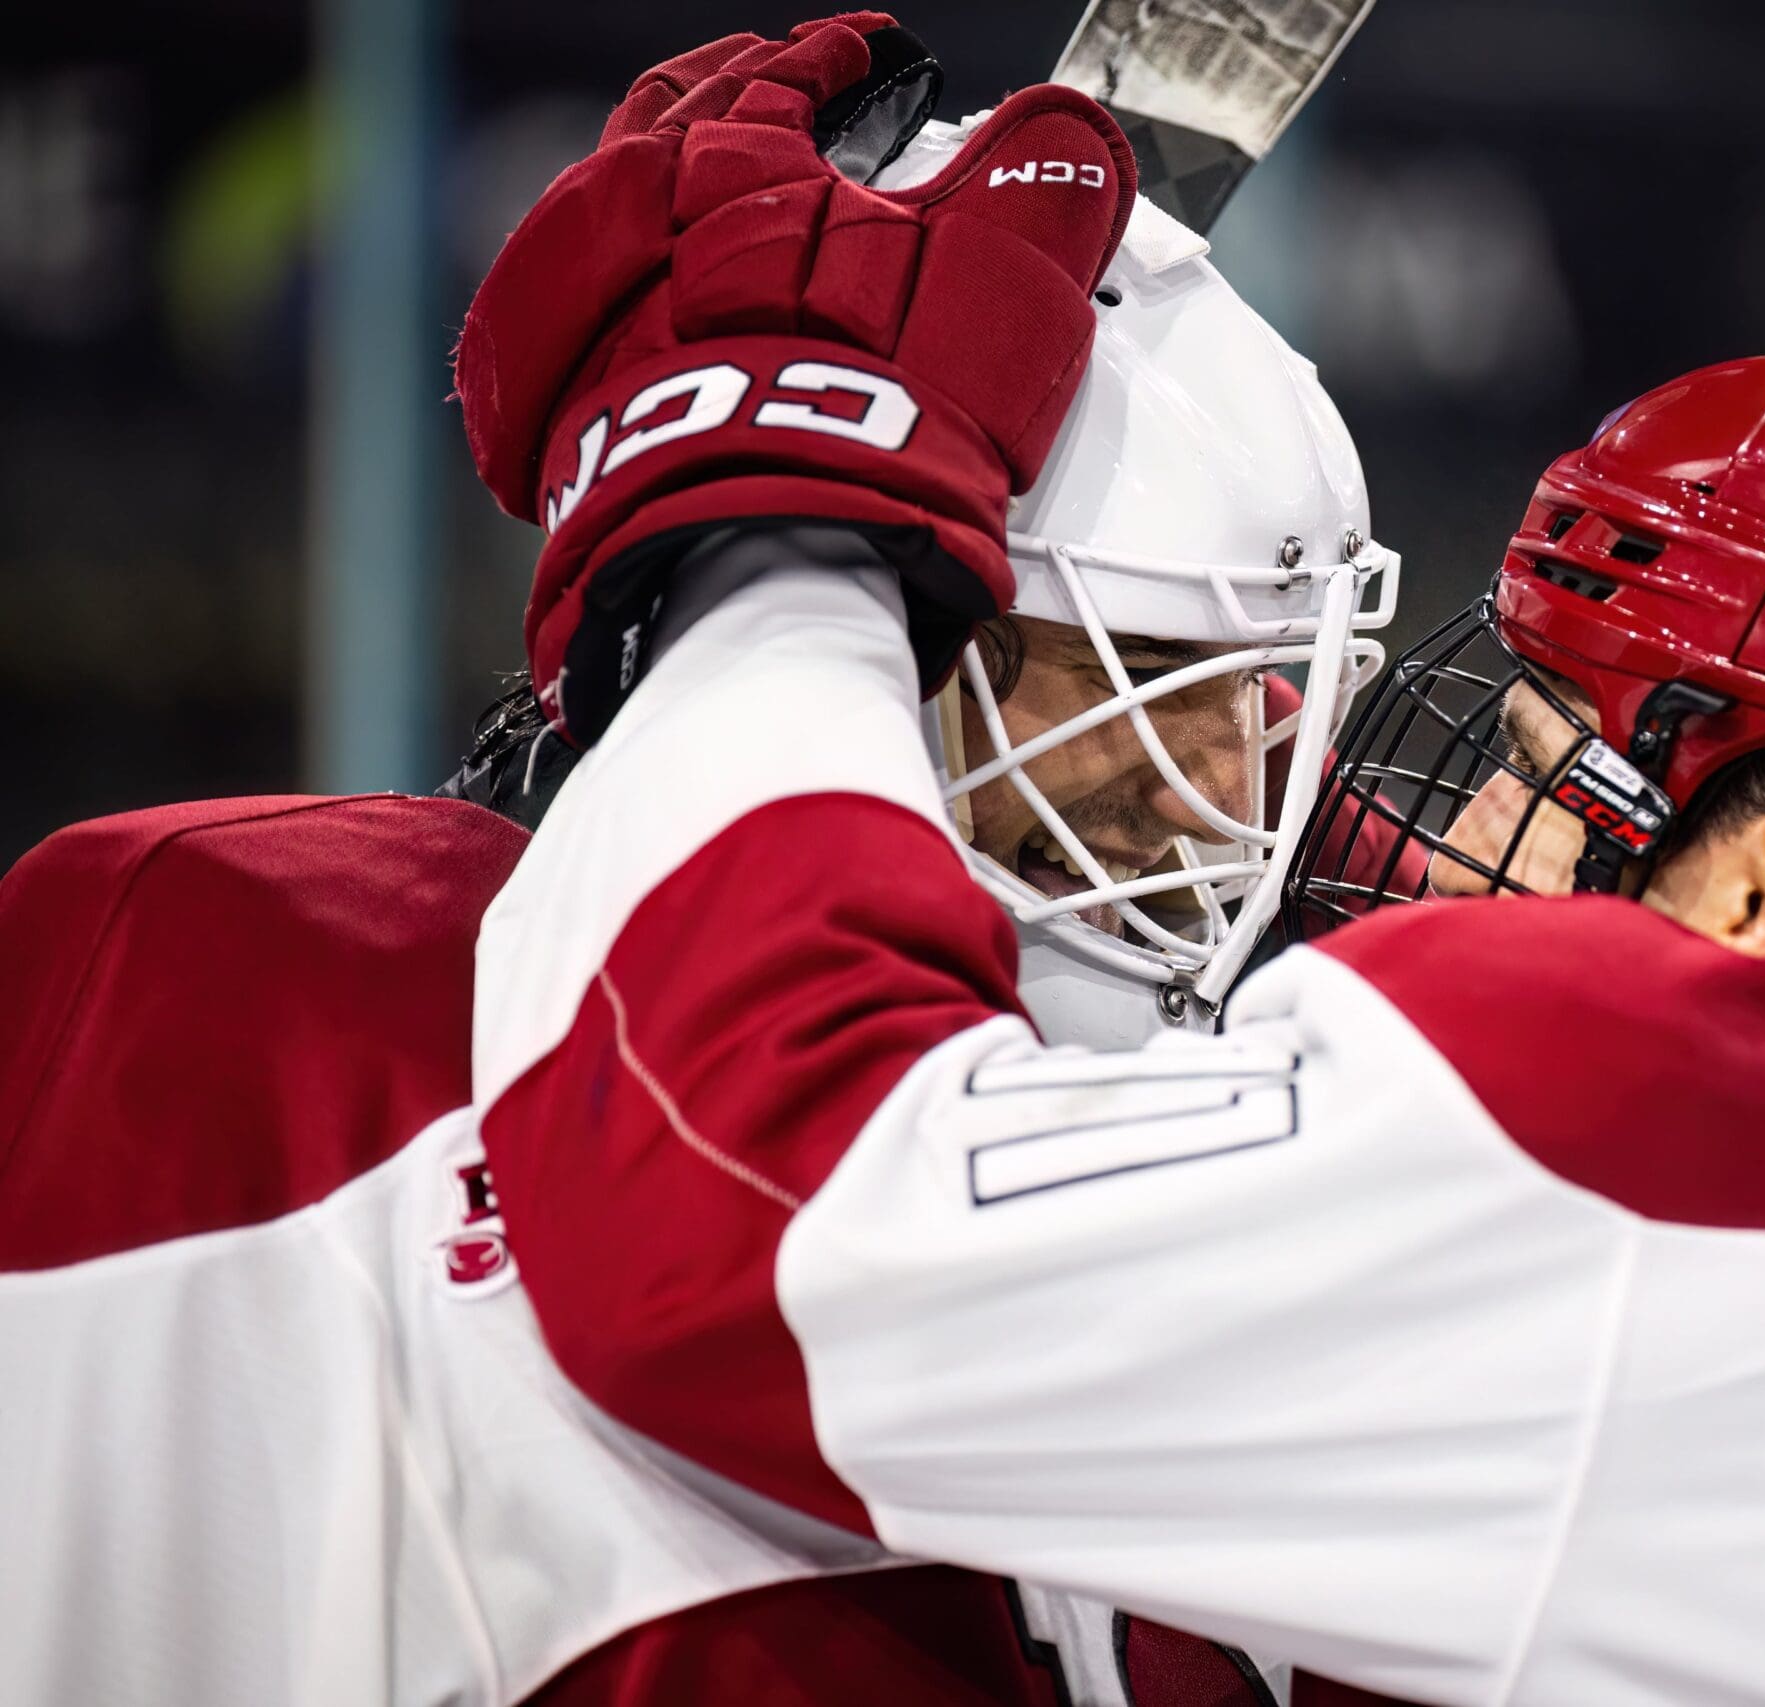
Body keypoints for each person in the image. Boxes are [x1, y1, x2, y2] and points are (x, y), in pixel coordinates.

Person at [456, 35, 1765, 1700]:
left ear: (1763, 873)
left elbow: (724, 1226)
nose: (1426, 831)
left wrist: (786, 507)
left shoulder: (1649, 1115)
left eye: (1534, 764)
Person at [0, 19, 1403, 1703]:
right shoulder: (206, 970)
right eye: (1156, 681)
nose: (1220, 794)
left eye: (1270, 697)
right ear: (918, 638)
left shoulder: (1273, 1121)